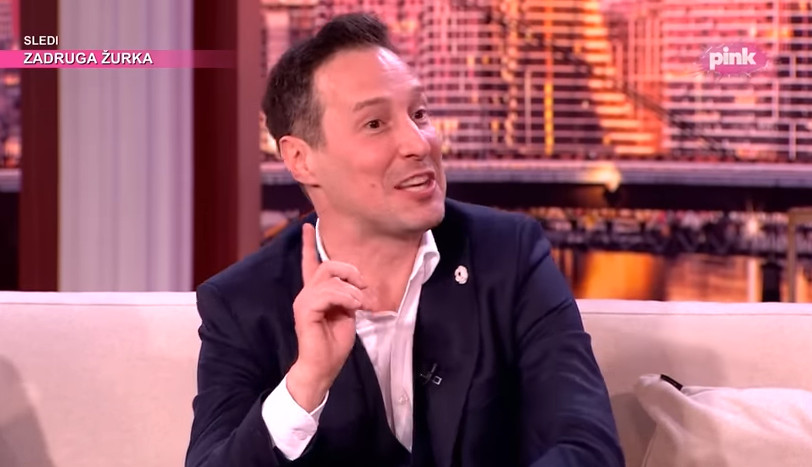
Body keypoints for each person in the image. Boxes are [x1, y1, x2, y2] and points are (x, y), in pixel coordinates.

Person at [185, 12, 624, 467]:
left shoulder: (509, 256)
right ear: (301, 159)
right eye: (375, 124)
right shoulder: (243, 302)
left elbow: (589, 449)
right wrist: (306, 383)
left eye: (419, 114)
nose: (419, 144)